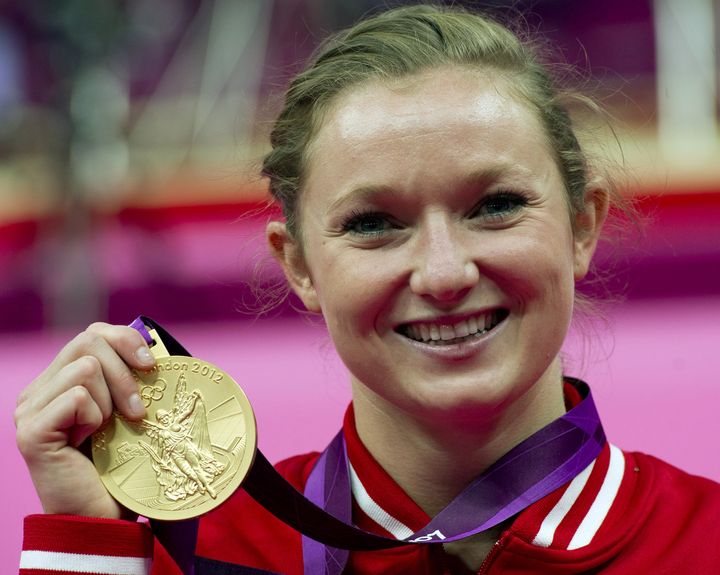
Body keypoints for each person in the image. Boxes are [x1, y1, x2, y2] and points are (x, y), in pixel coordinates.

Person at [15, 4, 720, 574]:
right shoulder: (202, 552)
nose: (444, 274)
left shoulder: (705, 541)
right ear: (299, 266)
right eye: (374, 222)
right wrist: (86, 543)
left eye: (496, 204)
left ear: (582, 225)